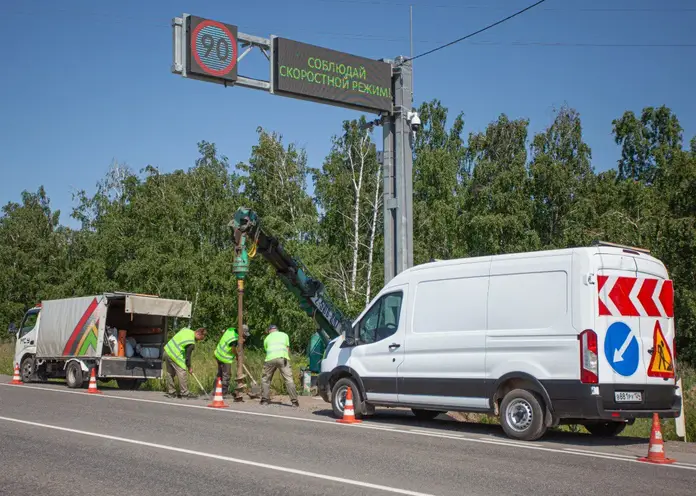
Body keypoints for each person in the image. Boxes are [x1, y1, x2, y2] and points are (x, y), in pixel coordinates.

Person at [261, 324, 299, 407]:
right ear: (277, 329)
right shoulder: (285, 335)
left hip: (270, 359)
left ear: (269, 331)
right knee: (289, 379)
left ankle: (265, 400)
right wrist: (286, 358)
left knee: (266, 380)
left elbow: (267, 349)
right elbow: (287, 348)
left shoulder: (267, 338)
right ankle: (294, 402)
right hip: (283, 358)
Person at [163, 327, 206, 399]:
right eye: (200, 339)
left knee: (170, 373)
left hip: (167, 351)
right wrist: (189, 368)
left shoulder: (186, 330)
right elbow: (187, 358)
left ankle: (171, 393)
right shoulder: (191, 342)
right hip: (175, 355)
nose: (198, 341)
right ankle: (184, 393)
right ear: (198, 334)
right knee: (182, 373)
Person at [214, 324, 250, 395]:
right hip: (225, 358)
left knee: (220, 374)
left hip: (218, 354)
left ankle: (215, 390)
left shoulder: (231, 330)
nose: (244, 336)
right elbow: (233, 349)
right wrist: (237, 356)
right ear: (240, 331)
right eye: (244, 334)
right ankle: (223, 392)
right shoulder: (234, 339)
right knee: (226, 375)